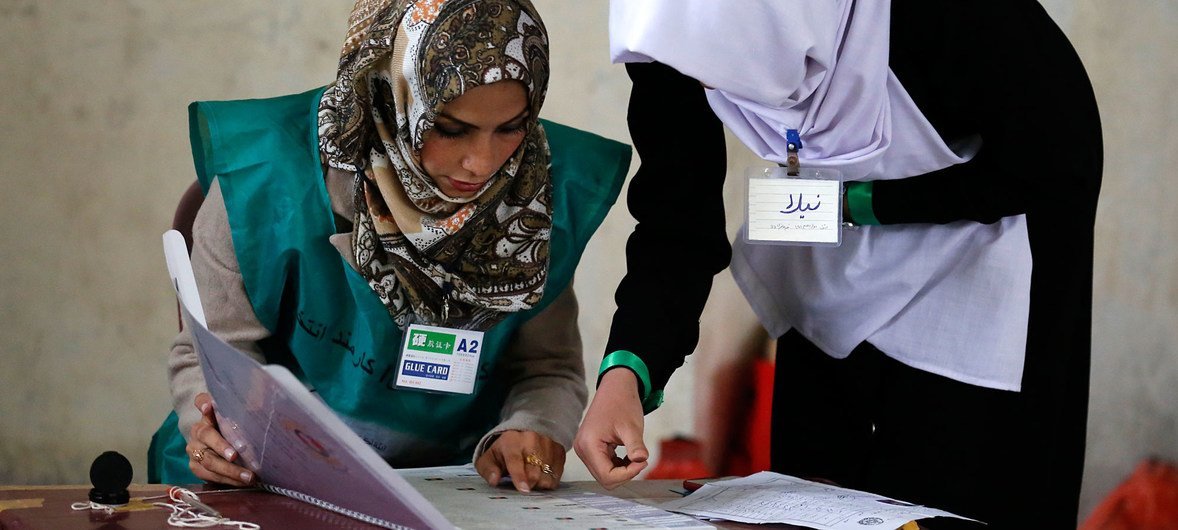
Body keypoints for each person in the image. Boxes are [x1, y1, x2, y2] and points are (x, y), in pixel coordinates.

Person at [575, 1, 1102, 528]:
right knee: (816, 500)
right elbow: (678, 218)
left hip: (979, 285)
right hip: (827, 277)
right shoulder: (666, 30)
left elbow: (1059, 161)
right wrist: (627, 371)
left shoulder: (949, 18)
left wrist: (862, 205)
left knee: (956, 506)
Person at [147, 0, 630, 494]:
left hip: (446, 487)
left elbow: (547, 368)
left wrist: (532, 428)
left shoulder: (534, 194)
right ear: (387, 95)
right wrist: (213, 428)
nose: (481, 163)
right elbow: (213, 355)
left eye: (511, 127)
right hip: (270, 479)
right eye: (450, 128)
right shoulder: (265, 178)